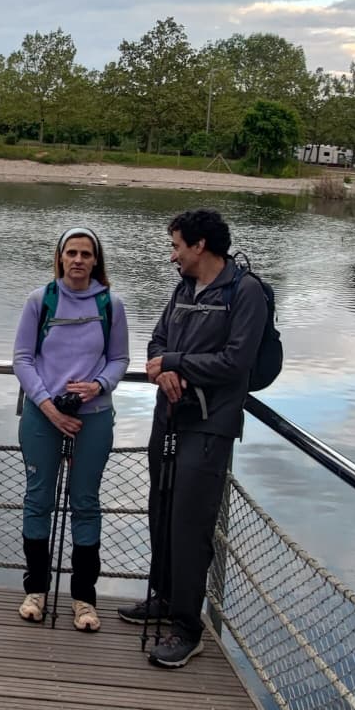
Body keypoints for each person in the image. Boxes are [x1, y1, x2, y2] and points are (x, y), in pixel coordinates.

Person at [123, 208, 266, 669]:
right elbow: (156, 344)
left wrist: (176, 364)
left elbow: (236, 363)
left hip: (209, 427)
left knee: (190, 524)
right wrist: (166, 368)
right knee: (161, 511)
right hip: (168, 418)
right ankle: (164, 598)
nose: (172, 255)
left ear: (199, 245)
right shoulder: (184, 288)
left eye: (176, 245)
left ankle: (188, 628)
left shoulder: (246, 293)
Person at [11, 227, 129, 631]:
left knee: (85, 502)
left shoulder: (110, 304)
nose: (78, 260)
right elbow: (23, 359)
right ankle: (36, 591)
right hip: (43, 416)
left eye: (86, 254)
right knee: (38, 499)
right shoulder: (39, 301)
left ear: (97, 260)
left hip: (93, 416)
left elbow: (119, 359)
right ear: (60, 257)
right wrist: (48, 405)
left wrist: (98, 386)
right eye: (71, 253)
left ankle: (84, 600)